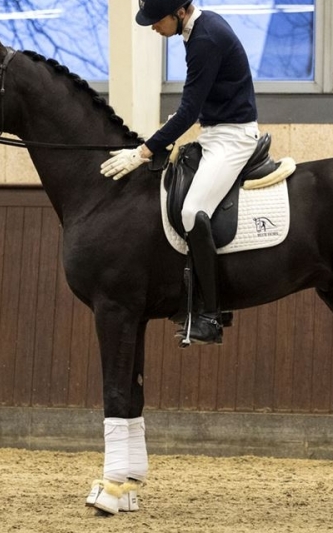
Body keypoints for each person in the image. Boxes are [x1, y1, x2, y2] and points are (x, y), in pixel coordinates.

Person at [100, 0, 259, 345]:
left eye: (157, 20)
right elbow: (194, 103)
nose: (154, 27)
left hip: (233, 138)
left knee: (192, 211)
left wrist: (142, 152)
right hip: (215, 132)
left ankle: (211, 315)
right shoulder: (198, 31)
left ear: (179, 13)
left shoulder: (206, 39)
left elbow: (189, 110)